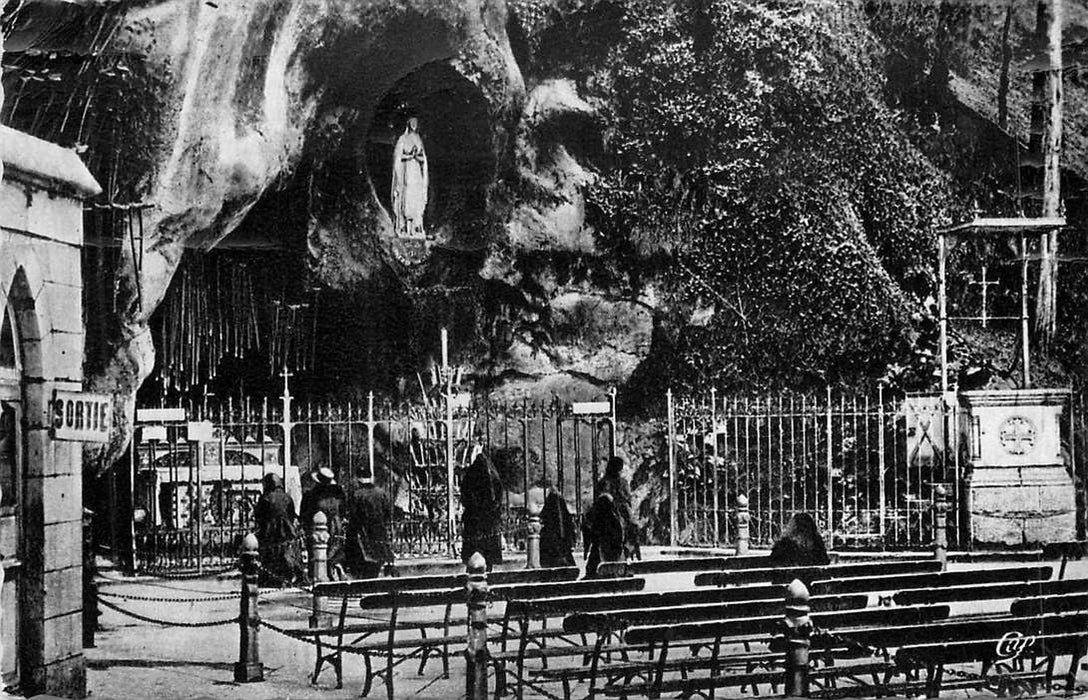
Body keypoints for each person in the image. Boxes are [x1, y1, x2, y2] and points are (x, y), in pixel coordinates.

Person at [254, 473, 304, 586]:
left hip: (269, 530)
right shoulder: (287, 497)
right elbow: (291, 514)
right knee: (286, 552)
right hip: (286, 530)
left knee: (270, 554)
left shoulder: (265, 498)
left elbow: (259, 516)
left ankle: (271, 578)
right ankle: (289, 576)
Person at [460, 448, 504, 571]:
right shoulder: (493, 475)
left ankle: (473, 569)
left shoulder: (471, 475)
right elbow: (498, 495)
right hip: (489, 519)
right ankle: (487, 568)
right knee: (487, 550)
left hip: (474, 519)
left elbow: (465, 495)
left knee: (474, 549)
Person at [343, 473, 394, 579]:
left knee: (365, 555)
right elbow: (388, 513)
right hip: (379, 528)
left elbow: (353, 514)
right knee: (379, 553)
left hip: (363, 530)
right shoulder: (381, 492)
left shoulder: (357, 494)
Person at [300, 467, 347, 579]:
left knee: (316, 552)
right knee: (334, 549)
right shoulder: (338, 496)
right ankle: (334, 570)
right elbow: (343, 511)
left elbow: (304, 514)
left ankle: (317, 575)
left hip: (317, 528)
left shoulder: (312, 495)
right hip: (335, 526)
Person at [597, 456, 640, 562]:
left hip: (620, 509)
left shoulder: (620, 482)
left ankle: (629, 550)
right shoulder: (608, 482)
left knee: (633, 526)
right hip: (611, 510)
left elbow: (627, 498)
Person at [391, 116, 428, 237]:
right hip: (407, 170)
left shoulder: (418, 139)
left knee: (416, 195)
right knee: (407, 195)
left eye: (416, 123)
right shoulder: (403, 139)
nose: (414, 125)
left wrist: (417, 157)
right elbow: (398, 157)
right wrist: (409, 156)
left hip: (416, 171)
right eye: (412, 123)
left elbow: (423, 159)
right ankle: (405, 227)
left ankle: (415, 227)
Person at [582, 493, 624, 579]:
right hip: (614, 553)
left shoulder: (598, 521)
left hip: (601, 552)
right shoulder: (615, 520)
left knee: (593, 569)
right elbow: (620, 537)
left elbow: (593, 537)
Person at [539, 485, 576, 568]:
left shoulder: (551, 500)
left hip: (552, 533)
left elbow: (544, 515)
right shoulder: (561, 501)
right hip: (561, 535)